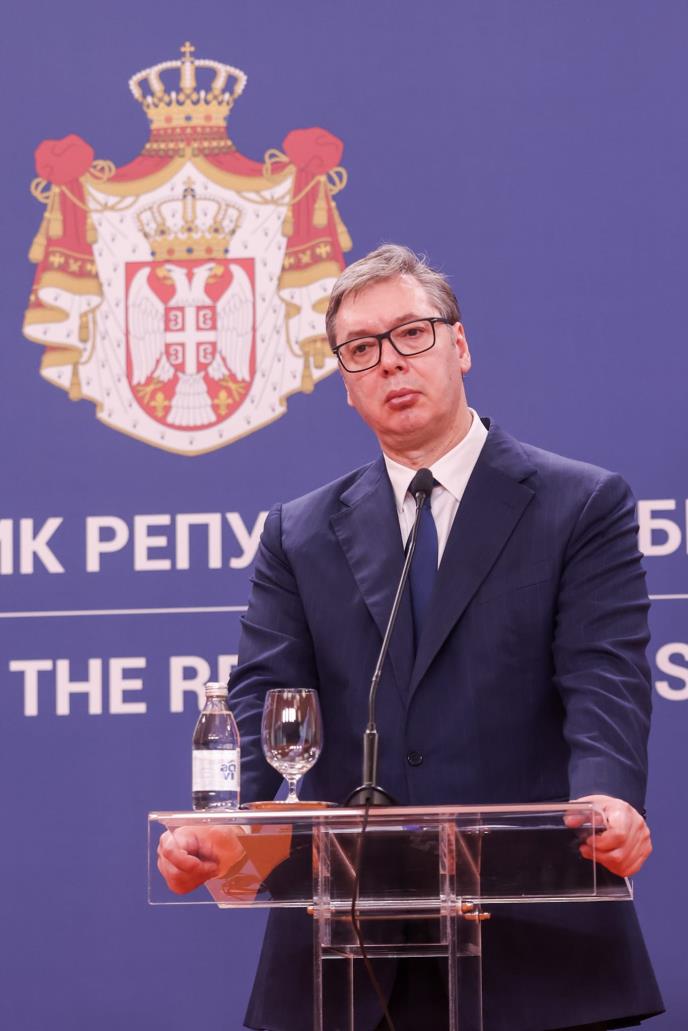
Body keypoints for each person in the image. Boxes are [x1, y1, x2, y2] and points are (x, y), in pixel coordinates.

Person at [158, 245, 664, 1030]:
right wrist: (223, 823)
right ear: (345, 383)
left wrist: (607, 796)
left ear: (459, 344)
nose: (390, 361)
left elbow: (605, 680)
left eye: (411, 334)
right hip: (346, 949)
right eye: (361, 349)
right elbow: (266, 698)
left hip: (532, 937)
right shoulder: (299, 533)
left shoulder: (579, 506)